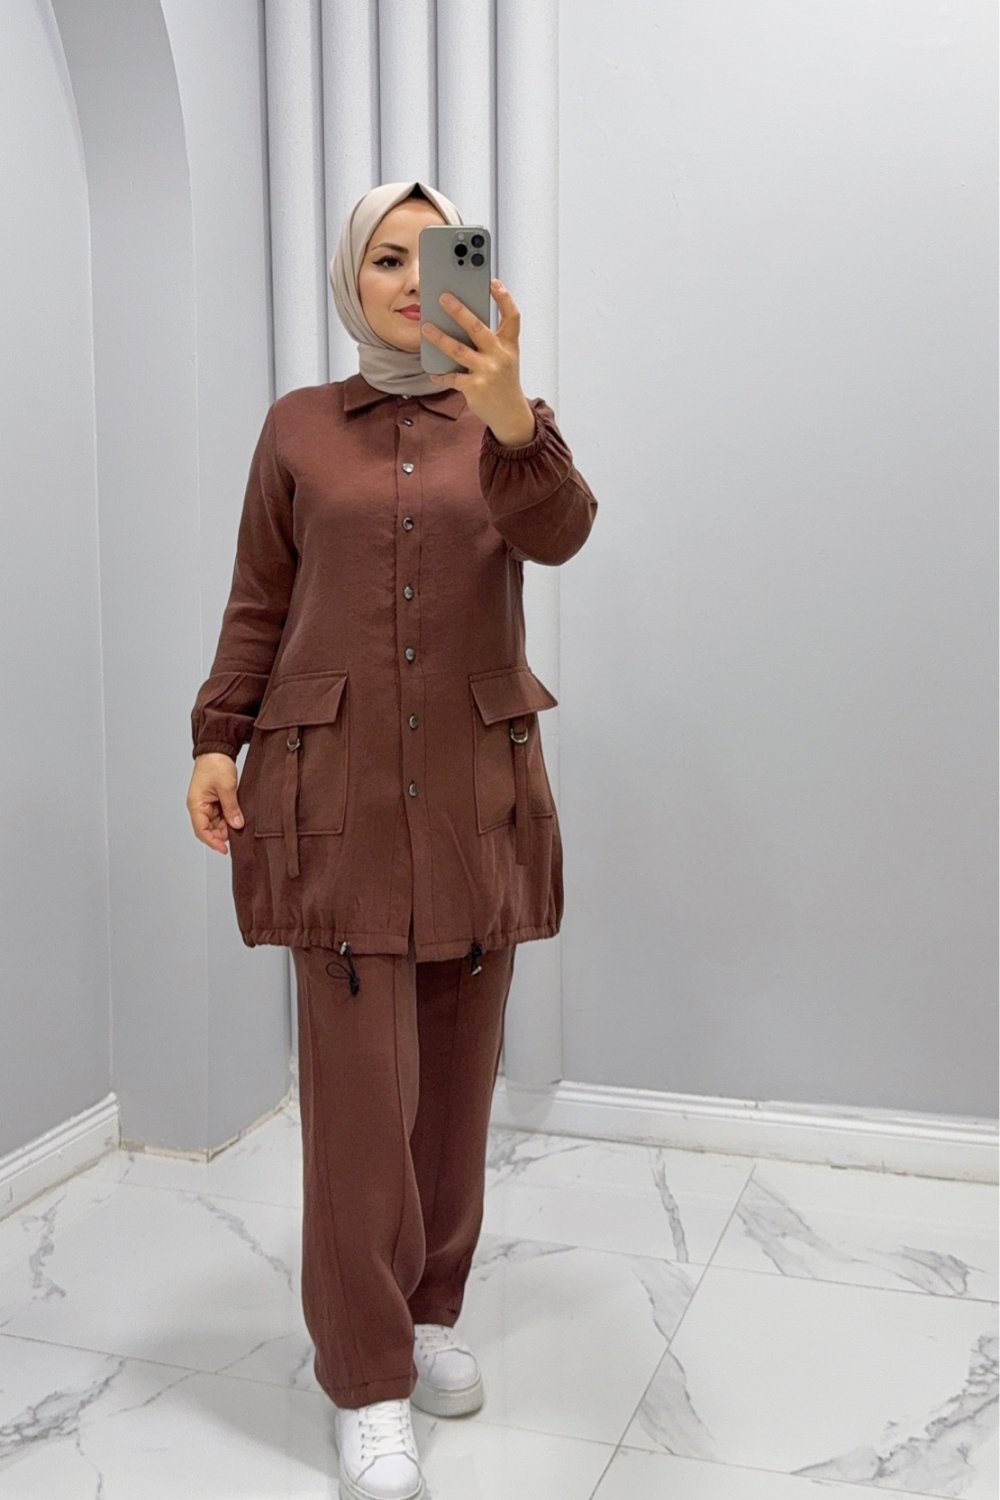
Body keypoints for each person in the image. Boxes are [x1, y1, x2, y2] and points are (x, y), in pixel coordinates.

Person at [186, 180, 598, 1499]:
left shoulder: (508, 423)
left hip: (475, 796)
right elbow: (260, 599)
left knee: (459, 1087)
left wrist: (511, 413)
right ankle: (366, 1379)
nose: (414, 279)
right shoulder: (298, 428)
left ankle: (427, 1318)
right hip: (337, 800)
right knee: (363, 1106)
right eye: (385, 258)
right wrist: (216, 737)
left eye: (439, 254)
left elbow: (563, 535)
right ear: (348, 280)